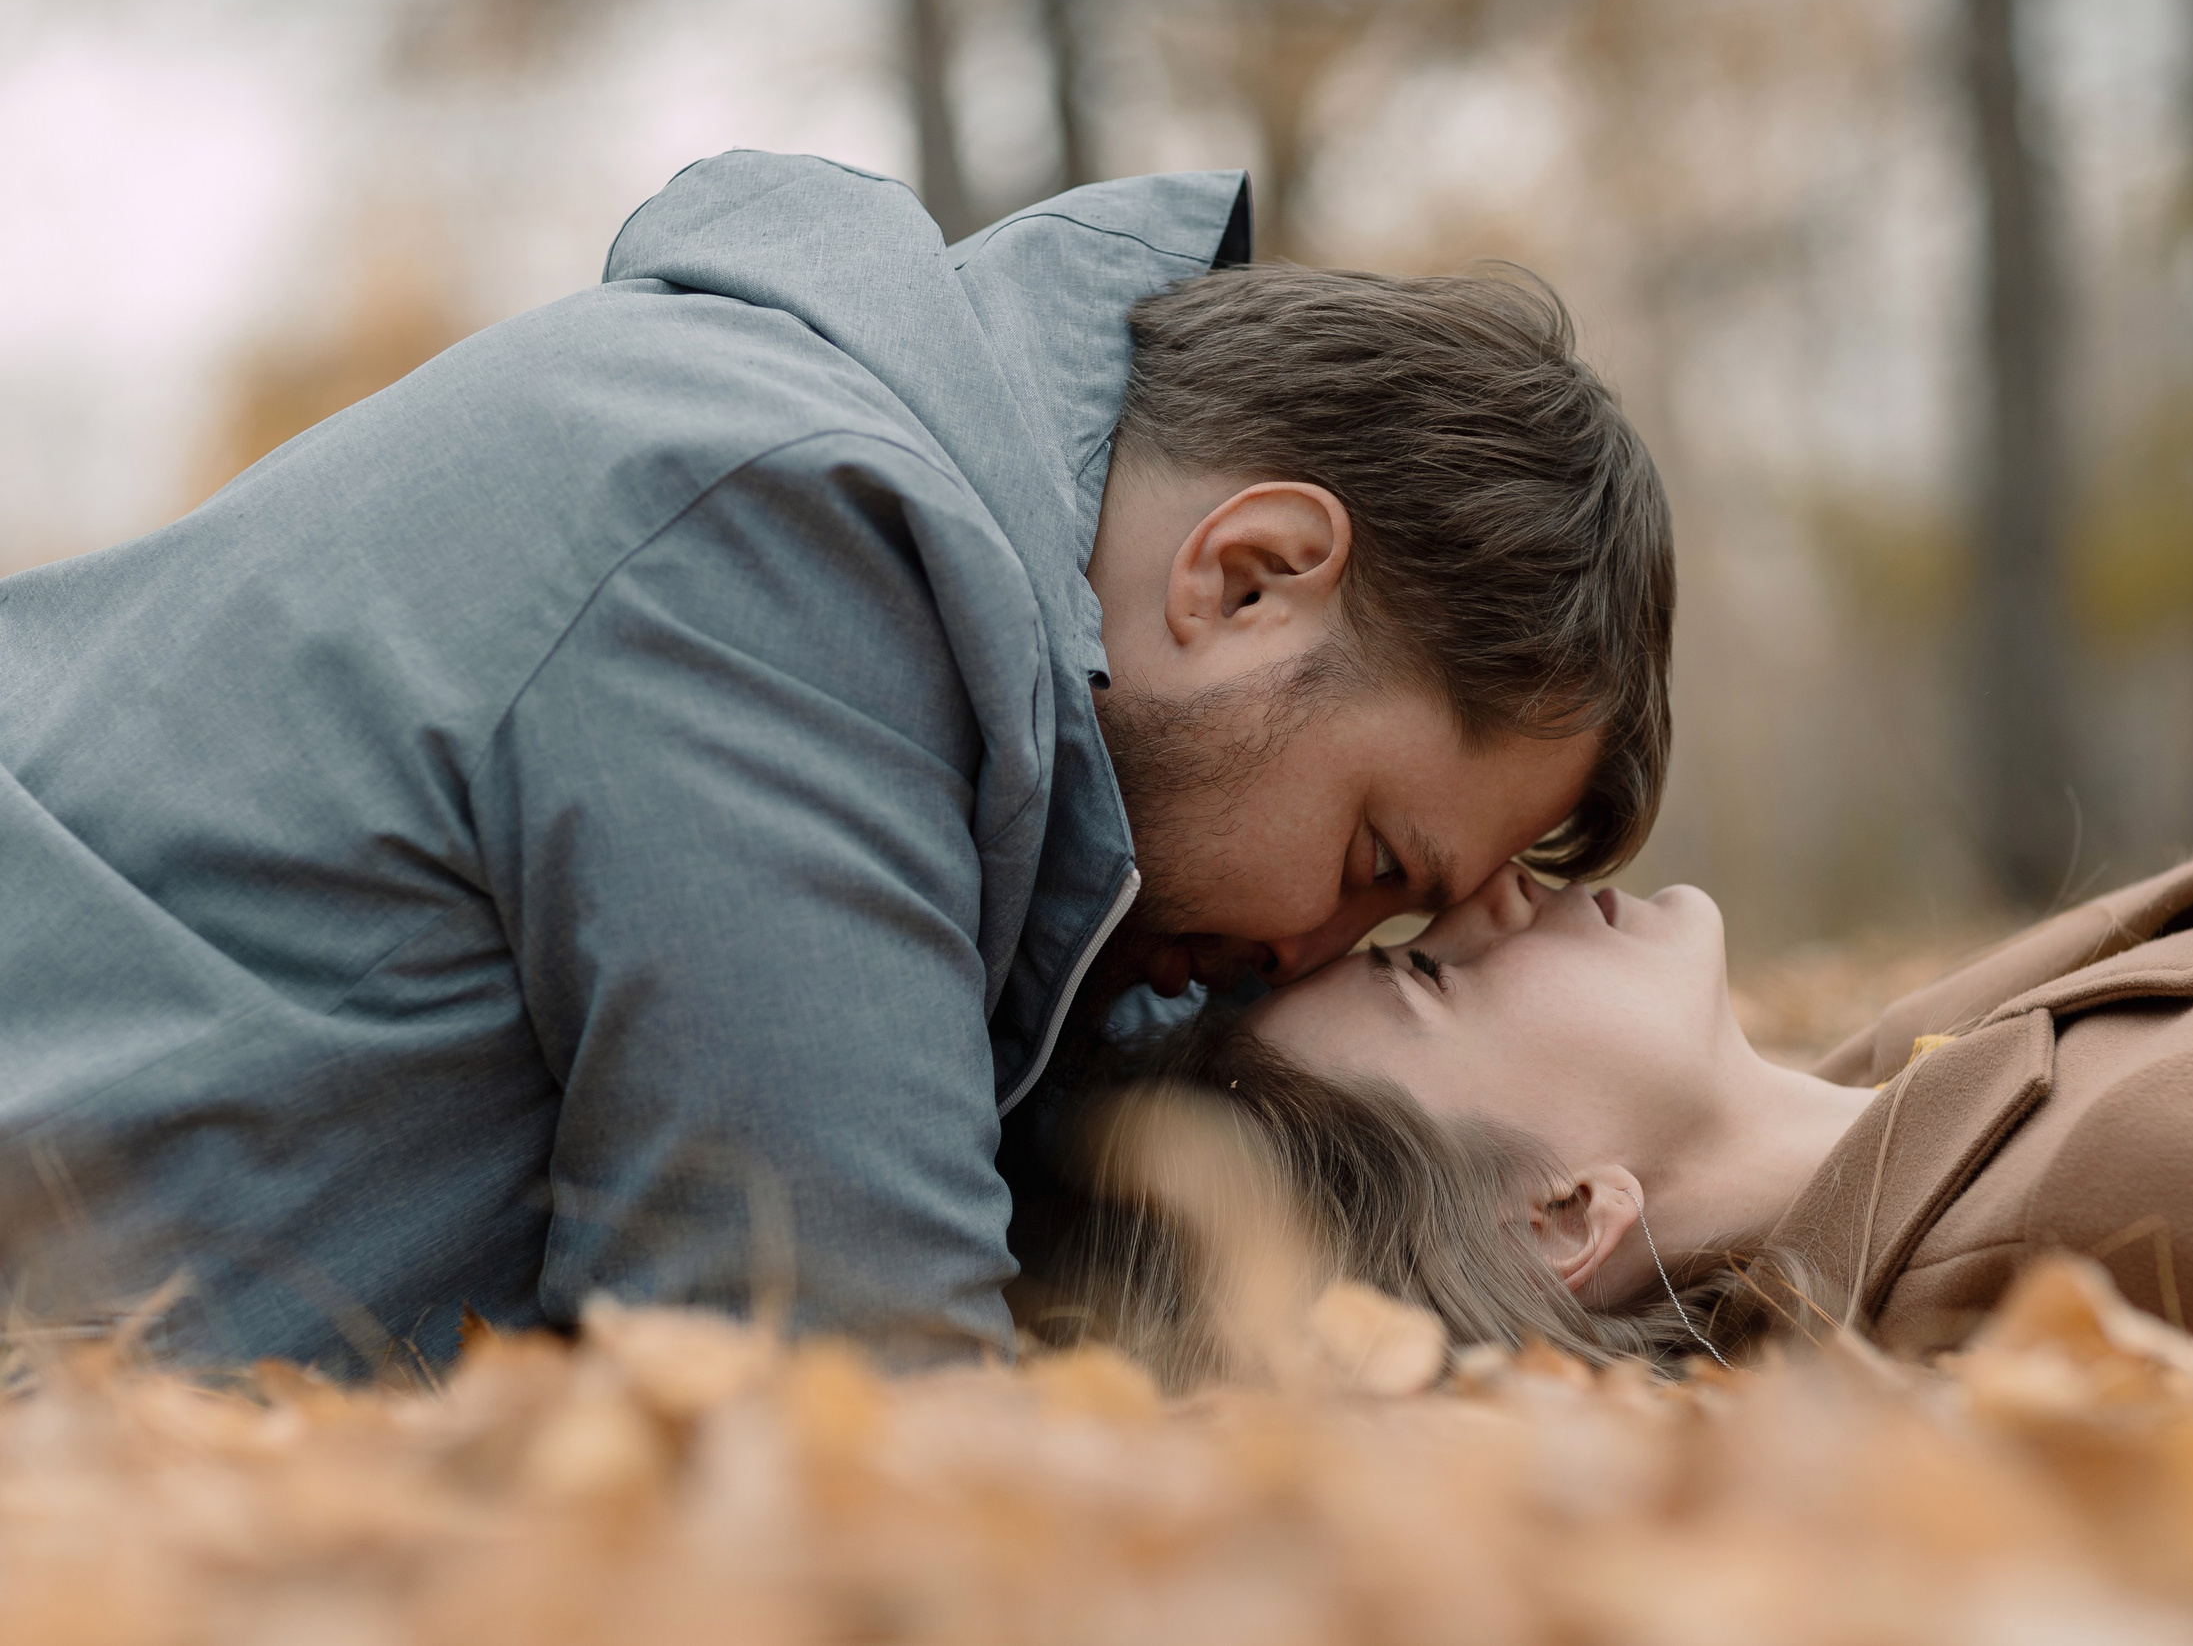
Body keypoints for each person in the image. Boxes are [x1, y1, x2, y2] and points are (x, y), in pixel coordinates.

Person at [0, 151, 1673, 1369]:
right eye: (1380, 864)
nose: (1309, 960)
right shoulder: (794, 545)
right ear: (1244, 580)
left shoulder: (844, 531)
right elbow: (843, 1387)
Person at [1045, 799, 2193, 1377]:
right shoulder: (2137, 1193)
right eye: (1426, 977)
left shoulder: (1930, 1065)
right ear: (1564, 1212)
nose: (1491, 890)